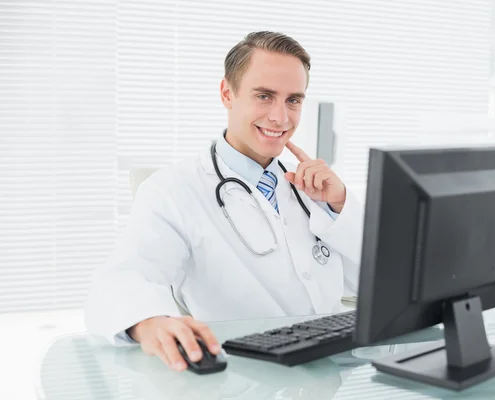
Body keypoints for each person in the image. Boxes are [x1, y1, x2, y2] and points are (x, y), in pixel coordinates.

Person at [84, 31, 363, 373]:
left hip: (333, 368)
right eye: (264, 96)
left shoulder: (312, 187)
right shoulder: (172, 189)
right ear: (227, 94)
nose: (281, 117)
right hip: (244, 375)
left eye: (293, 100)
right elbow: (124, 277)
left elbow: (374, 281)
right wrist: (150, 322)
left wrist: (339, 207)